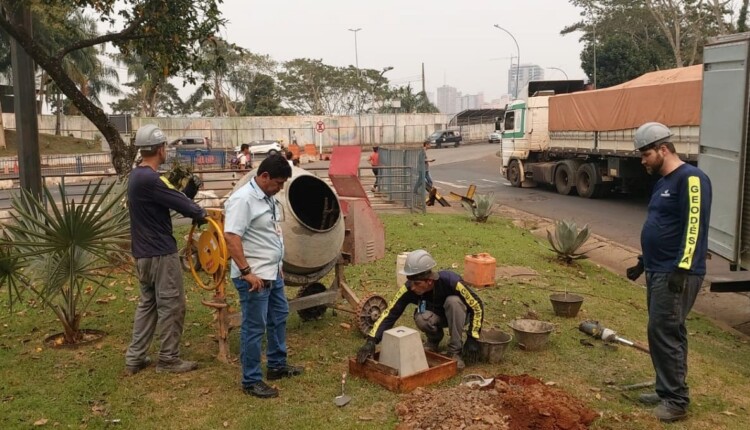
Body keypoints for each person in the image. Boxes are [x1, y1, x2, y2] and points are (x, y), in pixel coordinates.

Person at [626, 122, 712, 423]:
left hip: (676, 274)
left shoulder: (691, 179)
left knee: (665, 331)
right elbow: (662, 226)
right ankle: (667, 390)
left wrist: (682, 268)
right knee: (662, 330)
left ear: (663, 149)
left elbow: (694, 226)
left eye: (646, 154)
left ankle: (676, 401)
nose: (643, 160)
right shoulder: (663, 182)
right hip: (658, 269)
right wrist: (642, 261)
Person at [125, 124, 207, 375]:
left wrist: (188, 193)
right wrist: (199, 212)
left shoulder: (136, 176)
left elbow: (169, 200)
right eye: (165, 147)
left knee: (148, 305)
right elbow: (180, 204)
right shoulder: (151, 179)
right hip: (160, 254)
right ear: (160, 149)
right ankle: (168, 359)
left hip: (143, 254)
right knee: (172, 304)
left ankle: (135, 358)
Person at [223, 154, 302, 399]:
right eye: (278, 183)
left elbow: (269, 232)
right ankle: (251, 380)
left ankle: (277, 365)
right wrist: (247, 272)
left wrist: (277, 263)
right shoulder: (243, 200)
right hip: (254, 278)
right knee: (254, 328)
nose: (280, 188)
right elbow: (231, 237)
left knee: (278, 317)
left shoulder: (266, 197)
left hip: (271, 273)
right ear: (264, 176)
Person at [356, 249, 484, 370]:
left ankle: (455, 351)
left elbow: (476, 305)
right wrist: (372, 340)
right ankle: (434, 340)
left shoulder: (452, 281)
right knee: (421, 317)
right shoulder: (408, 289)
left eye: (416, 283)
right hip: (436, 317)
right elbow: (390, 312)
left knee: (453, 301)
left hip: (458, 316)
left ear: (429, 281)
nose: (412, 287)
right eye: (410, 282)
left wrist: (473, 337)